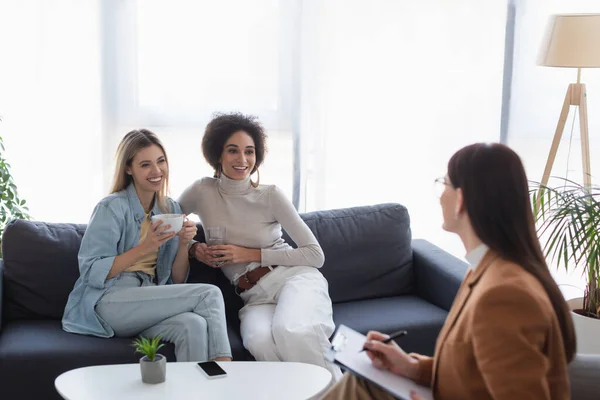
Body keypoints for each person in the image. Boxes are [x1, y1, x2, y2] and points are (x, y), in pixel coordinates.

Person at [322, 143, 576, 400]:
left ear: (461, 199)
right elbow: (471, 371)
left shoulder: (504, 294)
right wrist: (411, 366)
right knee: (360, 383)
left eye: (444, 183)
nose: (440, 193)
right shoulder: (486, 271)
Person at [179, 112, 342, 380]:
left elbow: (315, 255)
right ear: (217, 154)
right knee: (260, 342)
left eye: (249, 151)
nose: (242, 160)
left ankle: (342, 392)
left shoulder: (270, 195)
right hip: (253, 298)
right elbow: (168, 223)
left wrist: (248, 254)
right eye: (233, 150)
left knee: (292, 330)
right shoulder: (202, 191)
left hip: (293, 279)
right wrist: (194, 249)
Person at [62, 129, 232, 362]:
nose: (156, 171)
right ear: (128, 168)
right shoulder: (111, 208)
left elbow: (177, 281)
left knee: (193, 325)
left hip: (148, 299)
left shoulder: (170, 209)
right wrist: (145, 246)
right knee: (209, 293)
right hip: (110, 301)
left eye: (160, 161)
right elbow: (92, 272)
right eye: (145, 165)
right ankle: (226, 373)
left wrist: (183, 244)